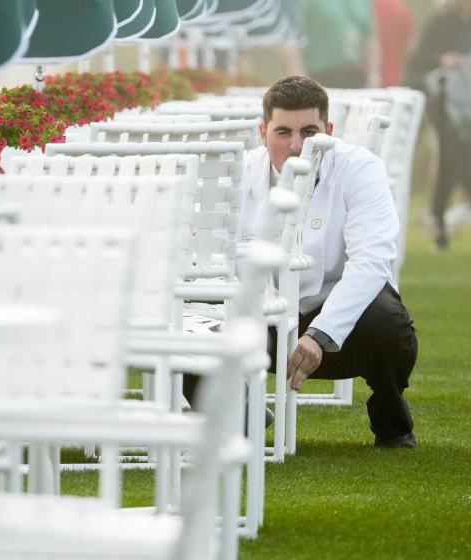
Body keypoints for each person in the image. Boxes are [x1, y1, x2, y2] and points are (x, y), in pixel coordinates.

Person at [188, 76, 418, 449]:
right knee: (184, 325)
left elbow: (371, 262)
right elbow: (203, 257)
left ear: (328, 130)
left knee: (390, 325)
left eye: (309, 132)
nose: (296, 146)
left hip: (336, 323)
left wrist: (320, 333)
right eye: (283, 132)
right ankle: (240, 413)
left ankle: (390, 411)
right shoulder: (237, 173)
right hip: (256, 318)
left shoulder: (361, 168)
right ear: (262, 133)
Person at [407, 0, 471, 249]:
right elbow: (417, 61)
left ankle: (445, 216)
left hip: (467, 100)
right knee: (448, 157)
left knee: (464, 156)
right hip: (443, 100)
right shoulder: (442, 23)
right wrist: (443, 59)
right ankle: (439, 221)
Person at [287, 0, 381, 89]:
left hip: (354, 75)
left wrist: (373, 76)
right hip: (317, 75)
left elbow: (370, 36)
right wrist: (300, 76)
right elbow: (290, 36)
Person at [372, 0, 414, 88]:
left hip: (366, 78)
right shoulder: (399, 7)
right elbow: (410, 45)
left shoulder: (365, 5)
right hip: (393, 78)